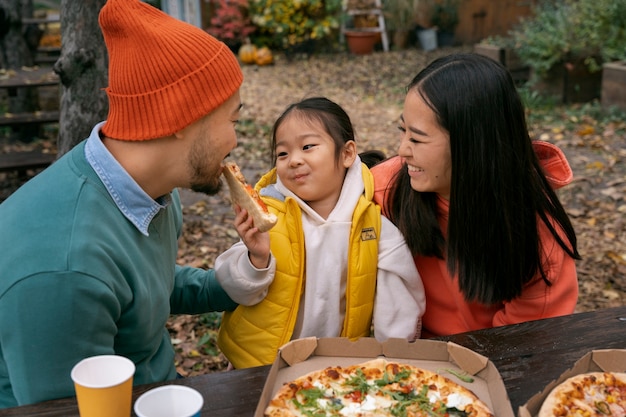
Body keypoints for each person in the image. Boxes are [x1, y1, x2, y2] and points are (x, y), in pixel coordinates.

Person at [0, 0, 271, 408]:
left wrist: (240, 278)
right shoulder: (65, 268)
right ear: (182, 119)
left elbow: (144, 287)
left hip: (159, 390)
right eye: (233, 120)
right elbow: (66, 411)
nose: (236, 141)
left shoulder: (152, 188)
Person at [371, 53, 581, 338]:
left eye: (417, 138)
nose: (402, 150)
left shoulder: (536, 242)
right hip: (405, 354)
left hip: (489, 362)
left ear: (472, 146)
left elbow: (520, 347)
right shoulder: (386, 191)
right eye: (402, 130)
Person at [214, 97, 426, 369]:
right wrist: (256, 259)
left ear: (347, 154)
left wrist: (394, 362)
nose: (294, 160)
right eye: (282, 153)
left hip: (333, 368)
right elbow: (234, 288)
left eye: (307, 147)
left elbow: (398, 305)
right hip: (261, 367)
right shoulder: (269, 217)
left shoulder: (370, 227)